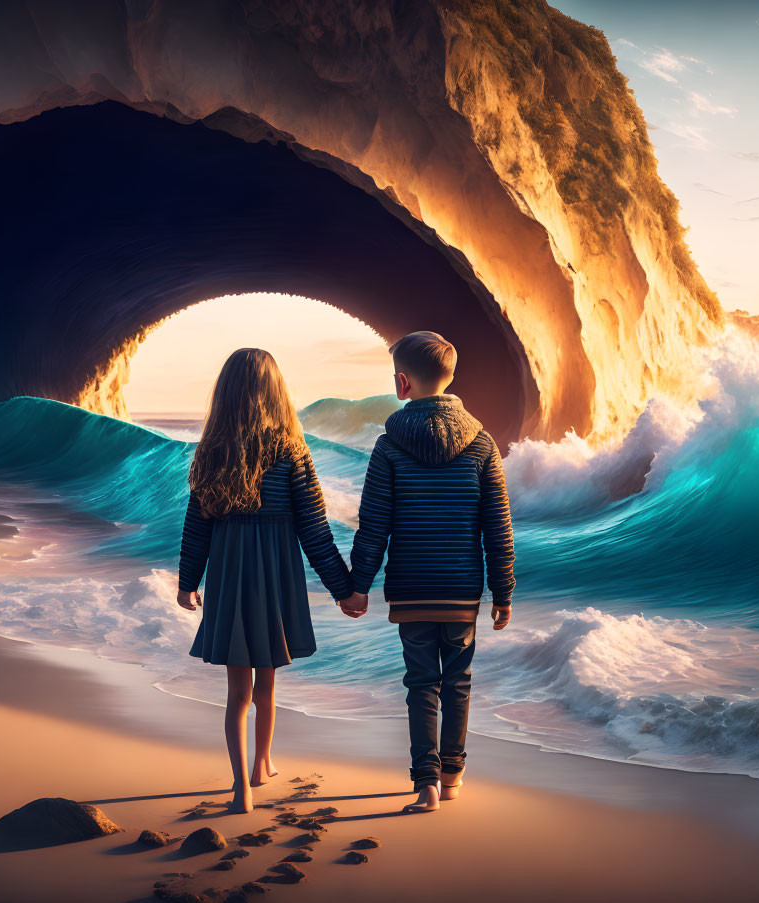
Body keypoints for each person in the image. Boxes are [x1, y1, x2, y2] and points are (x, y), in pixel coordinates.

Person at [176, 348, 365, 813]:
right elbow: (315, 530)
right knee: (267, 682)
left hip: (230, 573)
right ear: (277, 393)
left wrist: (187, 582)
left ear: (225, 395)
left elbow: (196, 527)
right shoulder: (293, 451)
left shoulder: (211, 452)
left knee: (236, 692)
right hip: (276, 573)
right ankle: (262, 765)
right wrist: (344, 589)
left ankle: (241, 789)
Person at [345, 331, 515, 813]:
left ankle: (427, 785)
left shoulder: (388, 447)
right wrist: (502, 591)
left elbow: (374, 524)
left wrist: (359, 586)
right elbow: (497, 528)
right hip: (461, 587)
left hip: (412, 587)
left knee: (421, 682)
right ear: (452, 378)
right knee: (457, 680)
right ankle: (454, 774)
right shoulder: (482, 444)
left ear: (403, 382)